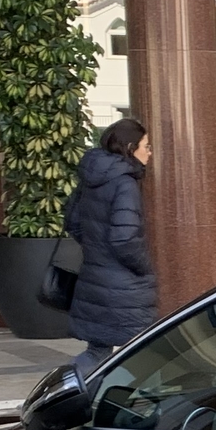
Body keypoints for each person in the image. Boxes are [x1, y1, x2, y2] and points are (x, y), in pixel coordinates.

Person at [68, 118, 154, 378]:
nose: (149, 152)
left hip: (95, 274)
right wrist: (144, 266)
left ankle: (67, 390)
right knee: (146, 350)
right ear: (130, 147)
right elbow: (124, 239)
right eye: (146, 146)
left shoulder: (92, 177)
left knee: (97, 350)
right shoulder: (125, 183)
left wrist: (96, 249)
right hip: (124, 284)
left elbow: (72, 221)